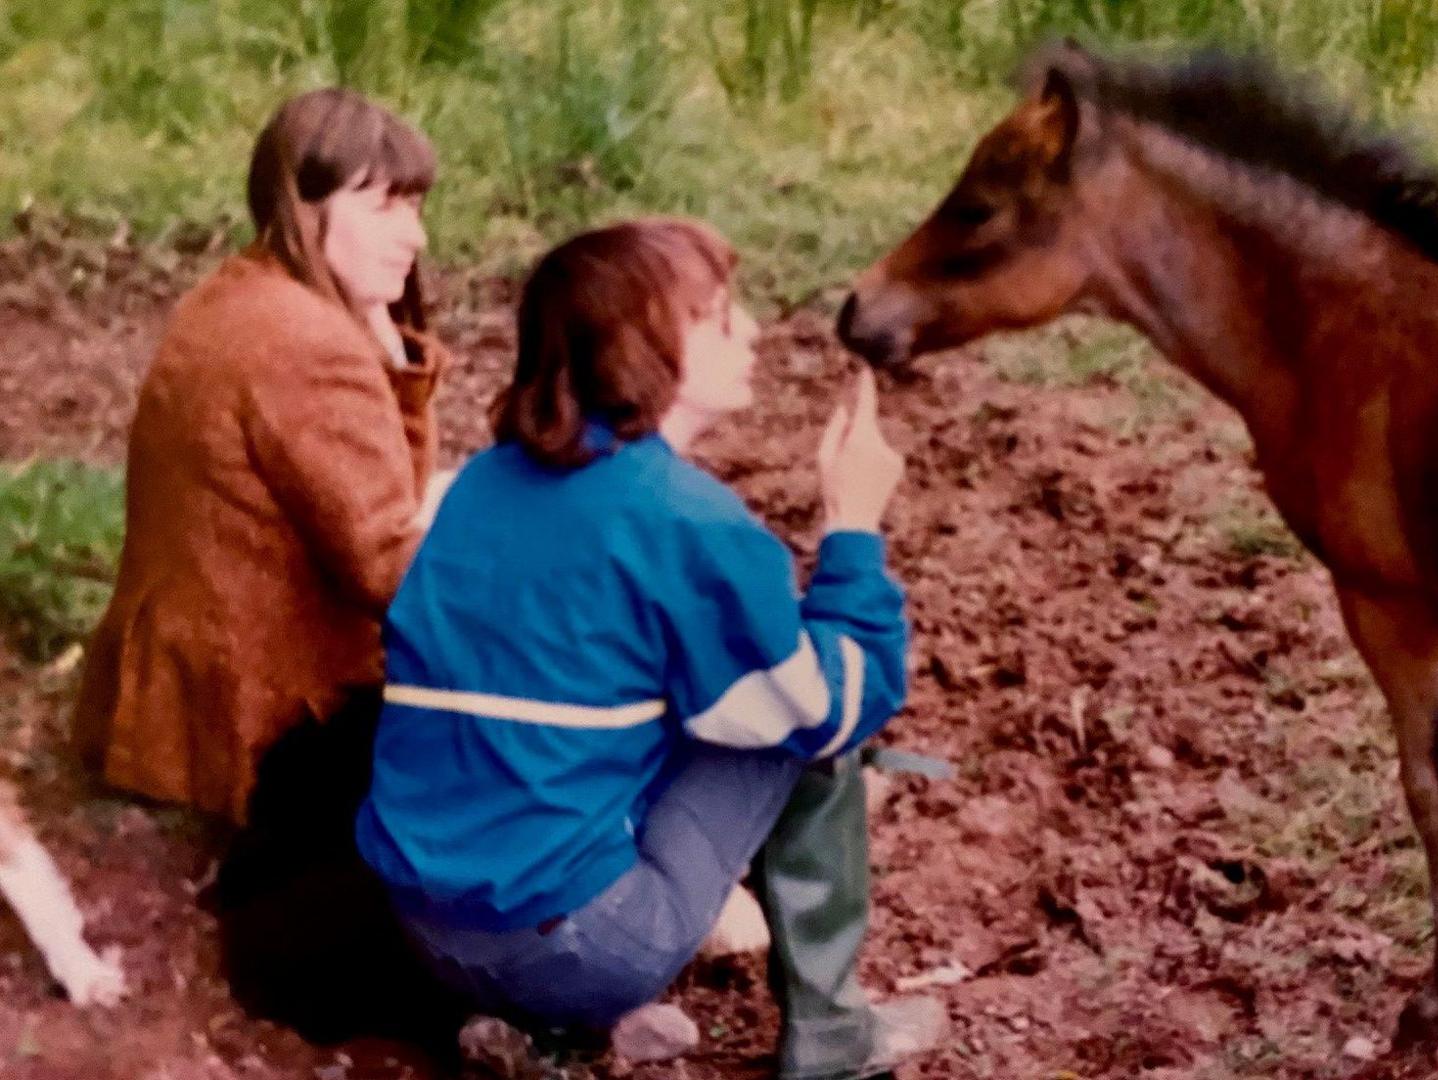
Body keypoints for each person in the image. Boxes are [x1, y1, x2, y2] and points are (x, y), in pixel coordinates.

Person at [355, 217, 944, 1078]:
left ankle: (528, 1035)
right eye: (717, 315)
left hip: (419, 929)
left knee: (652, 699)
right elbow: (835, 706)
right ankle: (833, 1038)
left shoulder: (479, 483)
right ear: (642, 344)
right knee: (797, 722)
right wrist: (853, 528)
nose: (751, 331)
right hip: (579, 950)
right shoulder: (684, 519)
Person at [70, 86, 464, 1043]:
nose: (411, 234)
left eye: (416, 204)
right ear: (304, 200)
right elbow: (392, 569)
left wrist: (394, 365)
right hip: (261, 714)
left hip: (176, 682)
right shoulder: (304, 345)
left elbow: (376, 505)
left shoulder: (243, 294)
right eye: (383, 204)